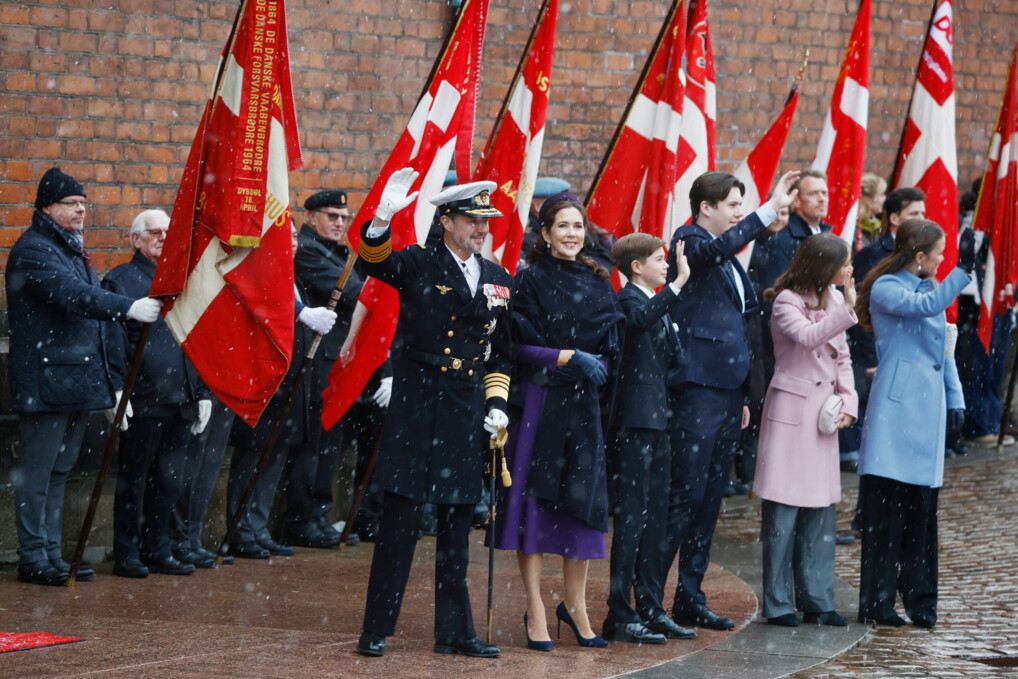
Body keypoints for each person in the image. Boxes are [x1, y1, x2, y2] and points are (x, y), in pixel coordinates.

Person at [356, 170, 513, 659]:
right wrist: (380, 220)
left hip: (465, 409)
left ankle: (455, 630)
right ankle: (376, 627)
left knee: (456, 528)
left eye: (485, 222)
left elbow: (501, 353)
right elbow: (374, 262)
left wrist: (497, 405)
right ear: (447, 221)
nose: (481, 230)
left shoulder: (497, 279)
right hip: (419, 403)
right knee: (400, 523)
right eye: (471, 220)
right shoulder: (420, 263)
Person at [656, 169, 800, 630]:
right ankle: (647, 599)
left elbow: (741, 328)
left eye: (743, 206)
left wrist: (741, 396)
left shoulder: (730, 262)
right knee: (685, 496)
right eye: (734, 205)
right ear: (706, 208)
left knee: (710, 501)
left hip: (725, 394)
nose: (739, 213)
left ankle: (689, 596)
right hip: (696, 391)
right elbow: (718, 248)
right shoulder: (690, 241)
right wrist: (768, 208)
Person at [5, 167, 162, 586]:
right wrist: (126, 306)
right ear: (47, 208)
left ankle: (52, 554)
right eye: (71, 204)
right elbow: (74, 296)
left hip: (70, 379)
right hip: (45, 379)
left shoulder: (70, 248)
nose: (80, 210)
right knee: (38, 473)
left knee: (59, 471)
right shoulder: (35, 250)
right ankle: (33, 556)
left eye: (83, 203)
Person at [490, 192, 624, 652]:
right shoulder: (526, 283)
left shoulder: (599, 280)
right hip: (540, 403)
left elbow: (611, 344)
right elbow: (516, 348)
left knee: (582, 512)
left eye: (578, 226)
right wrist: (566, 356)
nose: (572, 234)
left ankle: (577, 606)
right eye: (563, 226)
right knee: (534, 510)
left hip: (583, 407)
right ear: (544, 234)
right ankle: (535, 608)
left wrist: (604, 362)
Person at [855, 218, 975, 628]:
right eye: (938, 253)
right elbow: (926, 307)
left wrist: (956, 399)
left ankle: (922, 603)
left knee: (923, 519)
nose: (942, 260)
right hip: (897, 413)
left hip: (928, 413)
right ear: (919, 256)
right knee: (887, 517)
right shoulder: (890, 287)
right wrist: (964, 272)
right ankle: (878, 601)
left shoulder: (930, 290)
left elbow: (943, 351)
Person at [752, 234, 858, 627]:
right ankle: (779, 603)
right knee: (782, 513)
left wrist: (849, 403)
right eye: (842, 263)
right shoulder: (786, 301)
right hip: (792, 413)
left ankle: (818, 600)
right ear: (822, 265)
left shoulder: (832, 299)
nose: (848, 271)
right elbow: (810, 337)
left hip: (823, 417)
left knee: (820, 512)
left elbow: (841, 357)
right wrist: (846, 308)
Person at [102, 209, 211, 577]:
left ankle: (158, 547)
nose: (164, 238)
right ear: (136, 239)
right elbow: (113, 342)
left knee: (169, 480)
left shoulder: (183, 280)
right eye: (155, 233)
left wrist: (202, 392)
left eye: (169, 232)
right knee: (134, 480)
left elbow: (195, 339)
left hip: (180, 396)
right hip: (144, 398)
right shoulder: (121, 281)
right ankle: (128, 552)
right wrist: (117, 389)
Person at [602, 233, 694, 644]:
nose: (666, 266)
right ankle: (620, 613)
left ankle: (651, 606)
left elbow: (676, 362)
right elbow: (638, 321)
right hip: (634, 424)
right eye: (659, 260)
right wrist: (676, 287)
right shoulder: (629, 301)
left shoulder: (658, 305)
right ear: (636, 266)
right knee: (632, 520)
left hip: (658, 421)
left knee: (654, 519)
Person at [225, 224, 337, 559]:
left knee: (275, 455)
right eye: (284, 237)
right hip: (262, 382)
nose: (292, 242)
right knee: (252, 457)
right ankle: (240, 530)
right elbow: (261, 305)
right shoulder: (253, 271)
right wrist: (303, 313)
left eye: (293, 237)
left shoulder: (291, 276)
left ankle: (257, 527)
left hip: (291, 383)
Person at [284, 189, 367, 548]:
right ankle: (302, 518)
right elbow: (350, 291)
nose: (338, 223)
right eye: (331, 216)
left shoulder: (336, 252)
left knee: (329, 443)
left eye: (343, 218)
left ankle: (319, 514)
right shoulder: (309, 251)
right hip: (317, 363)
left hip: (337, 361)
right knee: (313, 443)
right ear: (312, 218)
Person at [854, 173, 888, 253]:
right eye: (881, 194)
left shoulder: (880, 226)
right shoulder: (853, 227)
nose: (885, 198)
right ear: (868, 200)